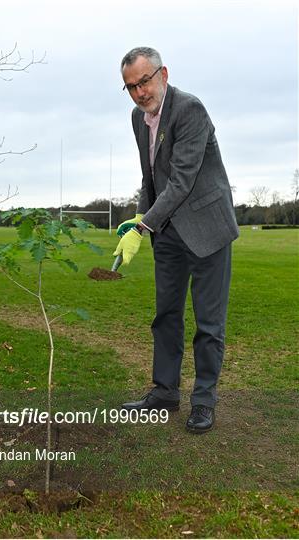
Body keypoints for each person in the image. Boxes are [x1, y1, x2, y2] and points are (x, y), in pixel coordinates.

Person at [113, 47, 239, 433]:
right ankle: (164, 392)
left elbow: (182, 181)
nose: (139, 93)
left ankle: (203, 401)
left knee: (208, 323)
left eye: (144, 82)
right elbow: (151, 179)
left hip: (208, 230)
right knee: (166, 317)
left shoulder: (189, 110)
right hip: (167, 234)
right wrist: (140, 215)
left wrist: (141, 228)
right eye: (131, 87)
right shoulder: (139, 118)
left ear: (163, 74)